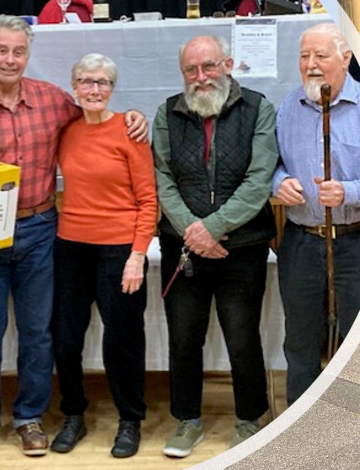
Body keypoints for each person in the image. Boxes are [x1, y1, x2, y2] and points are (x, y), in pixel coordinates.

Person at [0, 15, 147, 462]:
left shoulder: (52, 101)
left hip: (41, 232)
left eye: (18, 51)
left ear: (28, 55)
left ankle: (29, 418)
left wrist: (133, 116)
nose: (10, 59)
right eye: (2, 50)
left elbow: (96, 112)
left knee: (39, 334)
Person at [152, 35, 277, 458]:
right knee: (184, 338)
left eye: (208, 66)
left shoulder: (259, 108)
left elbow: (259, 180)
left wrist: (215, 227)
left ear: (227, 64)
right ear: (183, 73)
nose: (201, 77)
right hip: (183, 248)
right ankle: (187, 421)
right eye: (191, 70)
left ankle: (249, 418)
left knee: (242, 336)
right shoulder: (167, 112)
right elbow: (163, 180)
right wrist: (194, 231)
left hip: (242, 247)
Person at [49, 54, 157, 458]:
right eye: (86, 82)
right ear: (74, 86)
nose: (94, 90)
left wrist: (137, 255)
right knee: (65, 339)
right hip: (71, 247)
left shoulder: (130, 132)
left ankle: (130, 420)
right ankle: (73, 414)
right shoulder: (67, 131)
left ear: (112, 88)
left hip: (118, 250)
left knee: (123, 341)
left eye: (103, 83)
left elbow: (148, 200)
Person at [272, 22, 360, 405]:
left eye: (320, 55)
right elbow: (275, 165)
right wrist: (279, 183)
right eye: (304, 56)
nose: (311, 64)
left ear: (345, 58)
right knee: (300, 343)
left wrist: (348, 192)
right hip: (301, 241)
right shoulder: (289, 106)